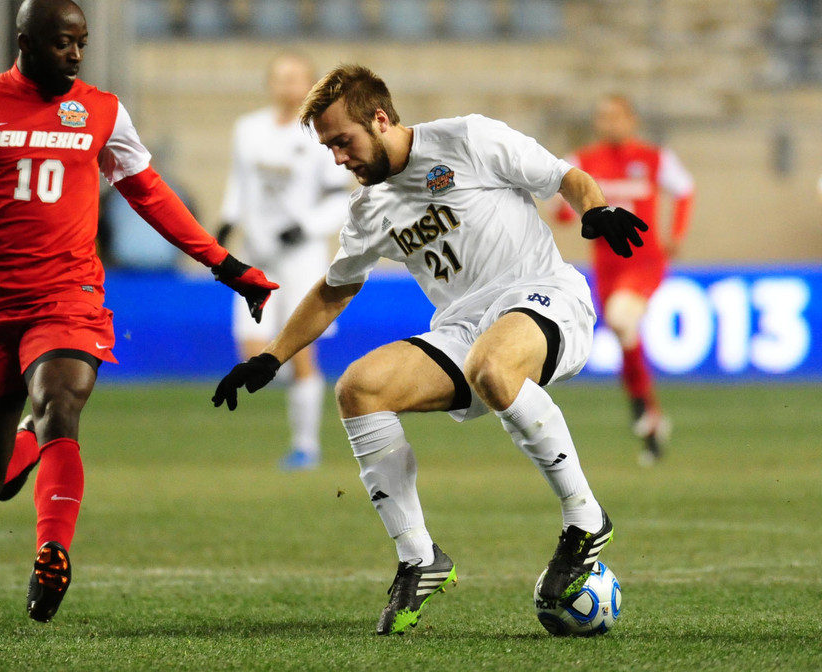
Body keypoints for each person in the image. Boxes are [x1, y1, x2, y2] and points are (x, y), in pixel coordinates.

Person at [0, 0, 277, 624]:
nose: (74, 55)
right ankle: (30, 441)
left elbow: (150, 194)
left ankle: (52, 551)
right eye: (62, 43)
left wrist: (225, 266)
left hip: (68, 295)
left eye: (82, 44)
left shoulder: (101, 112)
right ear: (26, 43)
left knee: (60, 398)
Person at [212, 65, 647, 635]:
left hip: (543, 299)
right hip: (462, 327)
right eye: (328, 148)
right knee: (358, 389)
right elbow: (334, 289)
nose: (338, 158)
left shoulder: (468, 138)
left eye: (342, 141)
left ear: (381, 119)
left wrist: (595, 209)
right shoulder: (370, 208)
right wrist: (271, 356)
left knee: (492, 367)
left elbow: (564, 176)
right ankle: (420, 558)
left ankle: (585, 518)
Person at [216, 52, 351, 470]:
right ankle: (296, 435)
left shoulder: (320, 132)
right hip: (257, 255)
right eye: (281, 78)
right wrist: (227, 222)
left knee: (301, 350)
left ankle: (306, 446)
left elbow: (339, 194)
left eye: (297, 79)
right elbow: (241, 182)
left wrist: (308, 226)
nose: (289, 86)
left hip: (301, 256)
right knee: (252, 347)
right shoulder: (249, 129)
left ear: (311, 85)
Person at [552, 94, 695, 465]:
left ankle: (642, 412)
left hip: (644, 261)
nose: (610, 124)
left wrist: (676, 233)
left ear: (631, 120)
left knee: (620, 318)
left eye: (617, 116)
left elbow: (684, 190)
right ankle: (650, 417)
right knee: (624, 331)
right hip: (607, 268)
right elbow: (564, 210)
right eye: (604, 117)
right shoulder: (584, 161)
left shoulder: (653, 158)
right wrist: (568, 212)